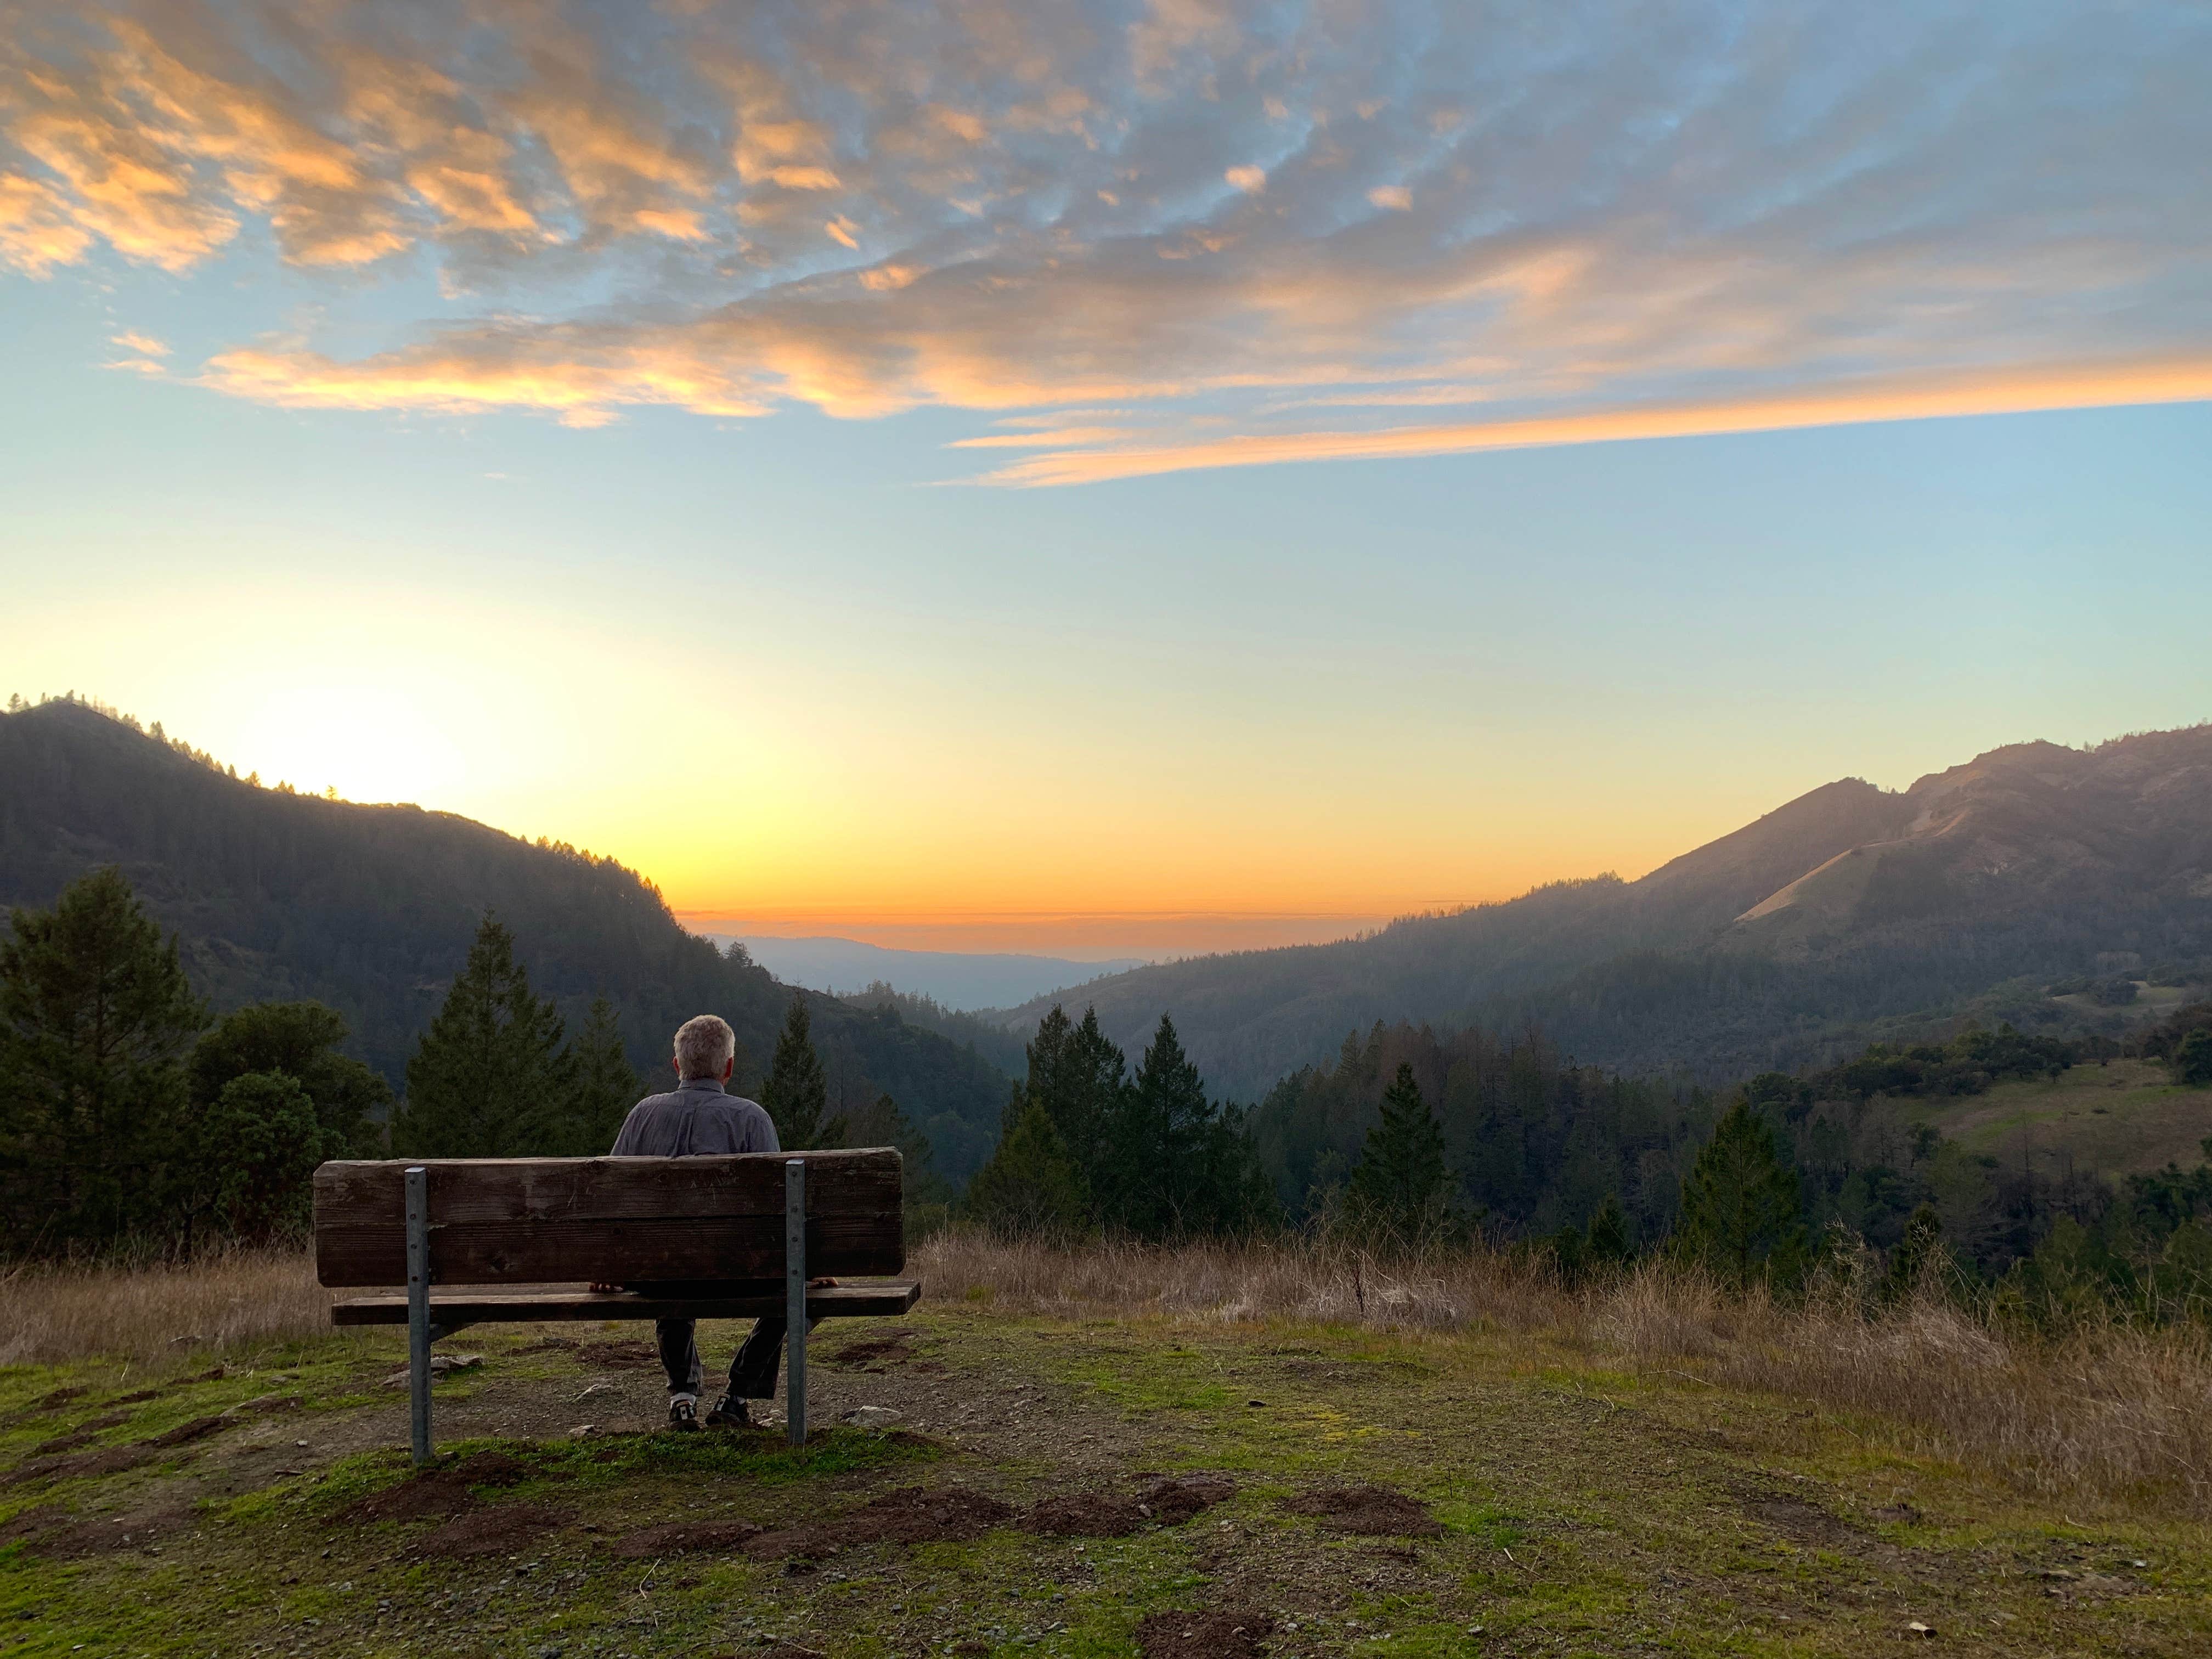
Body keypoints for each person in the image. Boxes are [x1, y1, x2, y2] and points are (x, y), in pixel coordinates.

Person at [596, 1013, 804, 1431]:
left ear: (678, 1066)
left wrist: (609, 1264)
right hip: (740, 1275)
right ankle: (737, 1395)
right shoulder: (752, 1119)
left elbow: (609, 1198)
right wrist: (807, 1266)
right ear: (728, 1067)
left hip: (658, 1275)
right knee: (792, 1291)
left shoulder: (642, 1116)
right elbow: (778, 1211)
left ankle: (683, 1397)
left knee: (670, 1262)